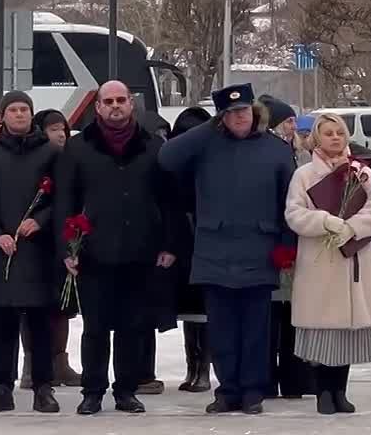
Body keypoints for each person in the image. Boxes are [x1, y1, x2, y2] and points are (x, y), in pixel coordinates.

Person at [159, 83, 295, 415]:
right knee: (220, 329)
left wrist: (286, 248)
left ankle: (252, 391)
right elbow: (166, 157)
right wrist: (209, 124)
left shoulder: (275, 150)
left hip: (259, 250)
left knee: (255, 329)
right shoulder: (206, 146)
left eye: (244, 111)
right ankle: (227, 390)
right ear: (222, 117)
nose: (239, 118)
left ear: (255, 112)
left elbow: (289, 203)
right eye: (231, 113)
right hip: (214, 251)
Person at [54, 81, 180, 415]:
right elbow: (65, 200)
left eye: (120, 100)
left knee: (132, 327)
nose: (115, 106)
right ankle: (92, 391)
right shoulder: (79, 148)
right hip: (94, 253)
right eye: (108, 101)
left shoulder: (153, 147)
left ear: (131, 104)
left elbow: (169, 201)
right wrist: (68, 248)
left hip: (141, 251)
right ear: (97, 107)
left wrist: (169, 243)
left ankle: (126, 390)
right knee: (95, 327)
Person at [284, 113, 371, 415]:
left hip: (353, 259)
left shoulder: (361, 172)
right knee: (321, 332)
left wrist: (352, 227)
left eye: (339, 132)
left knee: (346, 332)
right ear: (317, 138)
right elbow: (294, 214)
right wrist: (326, 222)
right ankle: (322, 392)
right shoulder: (303, 175)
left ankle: (340, 391)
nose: (335, 138)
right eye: (328, 133)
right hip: (319, 261)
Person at [0, 91, 60, 414]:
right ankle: (1, 388)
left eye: (25, 109)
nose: (20, 115)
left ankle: (43, 387)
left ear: (31, 115)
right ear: (3, 116)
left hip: (37, 249)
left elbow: (61, 198)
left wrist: (41, 219)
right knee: (2, 321)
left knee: (40, 322)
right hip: (1, 251)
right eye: (14, 110)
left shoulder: (50, 153)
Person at [12, 109, 82, 391]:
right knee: (34, 307)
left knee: (63, 307)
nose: (61, 134)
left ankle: (60, 362)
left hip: (65, 241)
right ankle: (32, 364)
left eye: (63, 128)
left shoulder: (71, 158)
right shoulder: (37, 157)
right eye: (53, 129)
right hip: (37, 243)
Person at [258, 94, 314, 399]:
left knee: (294, 315)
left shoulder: (299, 154)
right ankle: (265, 378)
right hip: (273, 244)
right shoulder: (274, 155)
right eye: (289, 121)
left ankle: (296, 379)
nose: (295, 126)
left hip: (296, 244)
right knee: (269, 317)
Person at [168, 107, 213, 394]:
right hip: (182, 244)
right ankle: (192, 366)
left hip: (208, 242)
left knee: (205, 311)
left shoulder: (213, 165)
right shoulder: (173, 166)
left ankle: (203, 369)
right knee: (191, 312)